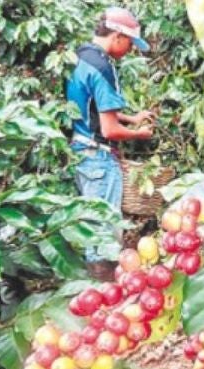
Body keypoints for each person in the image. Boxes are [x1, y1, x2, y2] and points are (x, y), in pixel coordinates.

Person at [66, 6, 155, 280]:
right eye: (129, 42)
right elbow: (109, 128)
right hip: (99, 158)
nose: (130, 49)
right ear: (117, 36)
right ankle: (102, 293)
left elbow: (92, 109)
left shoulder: (79, 56)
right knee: (103, 236)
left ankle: (96, 289)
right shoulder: (104, 67)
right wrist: (139, 134)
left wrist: (132, 118)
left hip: (80, 151)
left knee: (91, 226)